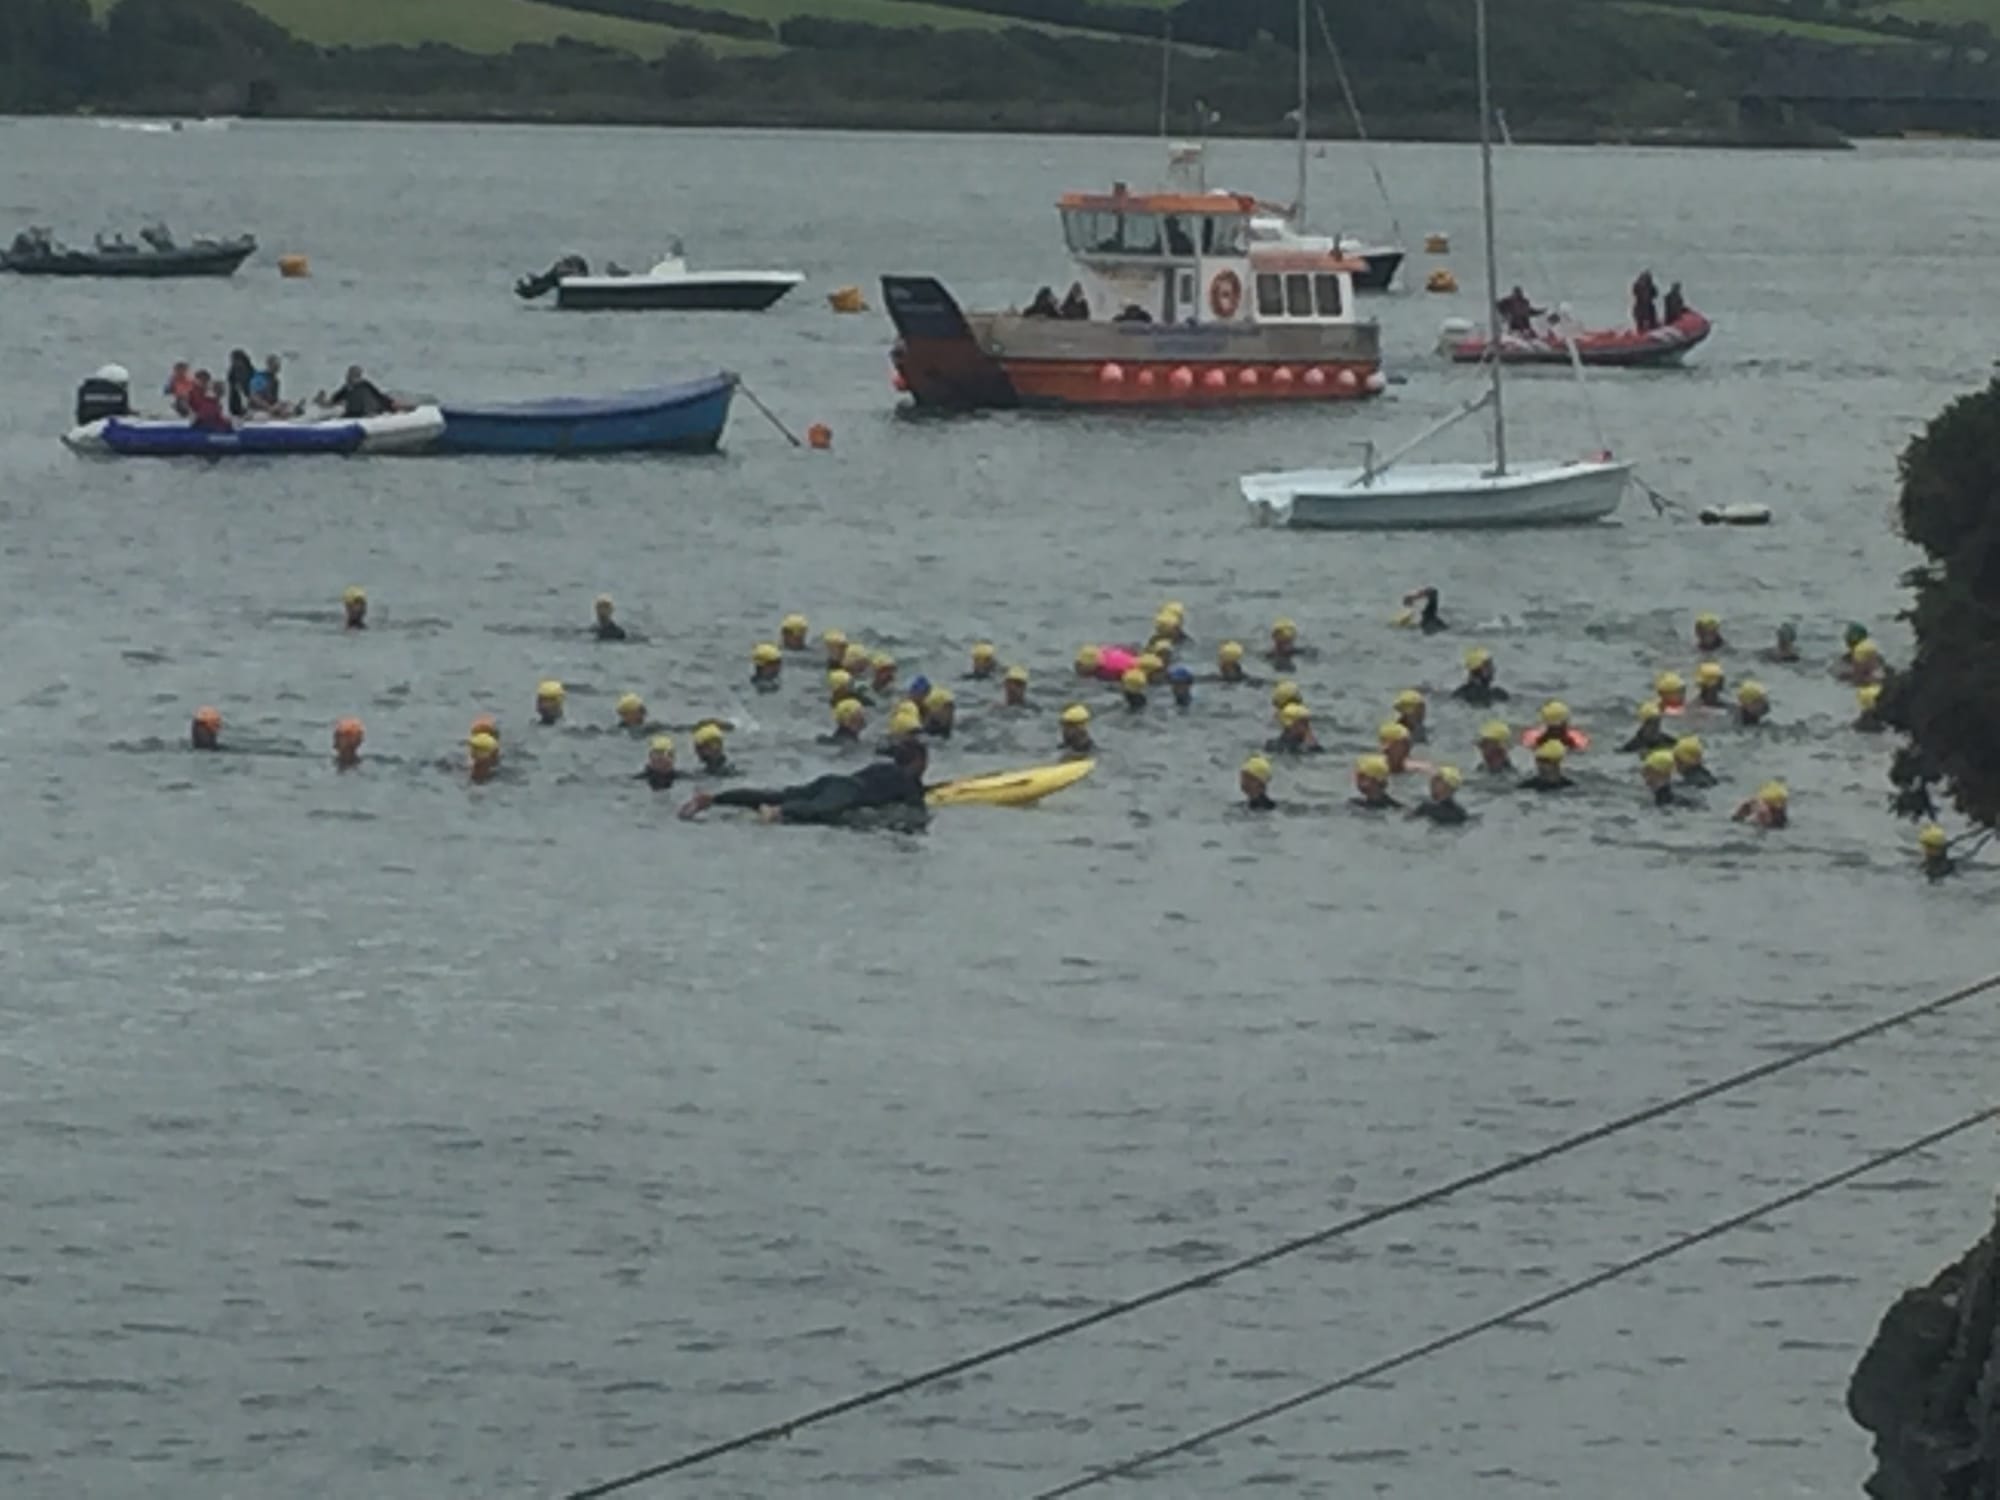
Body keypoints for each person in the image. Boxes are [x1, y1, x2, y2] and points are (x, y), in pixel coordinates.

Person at [679, 737, 930, 827]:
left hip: (834, 781)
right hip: (848, 793)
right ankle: (778, 813)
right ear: (917, 762)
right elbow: (918, 808)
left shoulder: (885, 768)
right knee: (818, 810)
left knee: (777, 793)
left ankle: (714, 799)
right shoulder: (906, 779)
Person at [317, 365, 397, 419]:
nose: (347, 378)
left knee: (388, 405)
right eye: (348, 375)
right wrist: (321, 401)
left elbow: (380, 397)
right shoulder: (346, 388)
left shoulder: (365, 385)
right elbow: (332, 403)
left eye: (352, 376)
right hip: (352, 415)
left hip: (369, 414)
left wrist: (392, 403)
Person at [225, 349, 256, 418]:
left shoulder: (239, 368)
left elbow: (242, 386)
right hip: (240, 399)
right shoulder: (237, 368)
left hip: (241, 399)